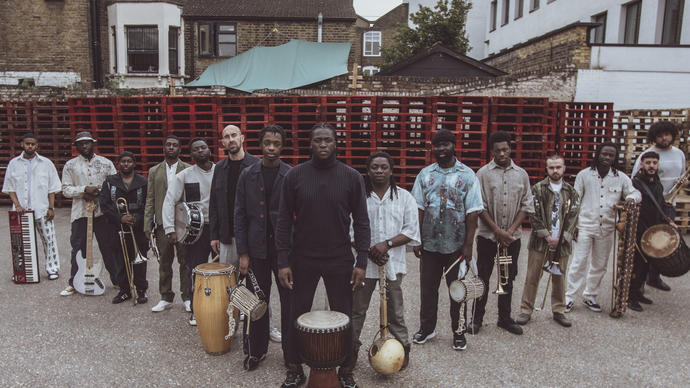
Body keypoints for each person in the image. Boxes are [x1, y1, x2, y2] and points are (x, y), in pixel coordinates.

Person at [276, 122, 370, 388]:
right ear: (310, 143)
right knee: (296, 313)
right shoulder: (294, 177)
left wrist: (361, 261)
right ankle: (294, 367)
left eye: (328, 140)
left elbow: (362, 222)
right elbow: (284, 221)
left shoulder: (351, 177)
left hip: (339, 258)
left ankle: (346, 369)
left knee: (344, 315)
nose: (323, 145)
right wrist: (283, 260)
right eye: (318, 140)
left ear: (336, 142)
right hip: (302, 258)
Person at [410, 129, 483, 351]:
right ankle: (427, 328)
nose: (441, 149)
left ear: (454, 145)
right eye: (438, 145)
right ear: (433, 148)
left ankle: (459, 332)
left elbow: (473, 213)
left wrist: (468, 246)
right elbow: (419, 207)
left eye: (446, 144)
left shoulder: (468, 175)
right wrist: (417, 238)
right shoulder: (424, 175)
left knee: (457, 289)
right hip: (430, 244)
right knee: (428, 289)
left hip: (456, 245)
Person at [350, 151, 420, 370]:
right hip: (363, 265)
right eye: (374, 167)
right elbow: (349, 230)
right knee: (356, 310)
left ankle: (401, 349)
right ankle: (349, 351)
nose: (379, 171)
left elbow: (411, 230)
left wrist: (386, 244)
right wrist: (369, 249)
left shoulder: (404, 197)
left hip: (392, 264)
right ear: (368, 171)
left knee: (395, 311)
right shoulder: (358, 197)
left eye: (384, 167)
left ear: (391, 170)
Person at [234, 124, 291, 371]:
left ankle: (292, 355)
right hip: (255, 252)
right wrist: (243, 253)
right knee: (257, 303)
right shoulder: (248, 174)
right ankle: (256, 351)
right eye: (267, 143)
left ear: (282, 146)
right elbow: (240, 215)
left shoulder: (290, 174)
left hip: (283, 252)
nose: (271, 148)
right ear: (259, 144)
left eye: (276, 144)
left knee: (290, 303)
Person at [565, 142, 640, 313]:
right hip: (585, 225)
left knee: (600, 264)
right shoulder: (584, 175)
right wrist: (572, 225)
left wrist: (631, 199)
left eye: (611, 155)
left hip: (607, 227)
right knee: (578, 262)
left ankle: (590, 295)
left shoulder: (621, 177)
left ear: (615, 158)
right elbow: (574, 201)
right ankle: (569, 297)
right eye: (604, 154)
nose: (606, 158)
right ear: (598, 154)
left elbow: (636, 193)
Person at [472, 131, 534, 335]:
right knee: (483, 277)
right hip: (488, 239)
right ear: (491, 151)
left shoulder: (521, 174)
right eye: (497, 150)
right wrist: (498, 231)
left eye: (505, 149)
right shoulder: (482, 174)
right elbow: (479, 206)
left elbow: (526, 204)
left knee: (506, 277)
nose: (502, 153)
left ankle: (504, 318)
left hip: (511, 240)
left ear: (510, 148)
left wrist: (510, 232)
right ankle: (476, 319)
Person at [516, 155, 579, 328]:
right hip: (540, 241)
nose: (555, 171)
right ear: (546, 169)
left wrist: (563, 238)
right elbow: (533, 213)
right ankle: (526, 310)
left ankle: (559, 310)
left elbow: (574, 216)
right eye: (551, 168)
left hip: (562, 243)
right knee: (532, 276)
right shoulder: (538, 189)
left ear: (564, 168)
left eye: (558, 167)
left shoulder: (571, 191)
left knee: (560, 277)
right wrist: (546, 235)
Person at [59, 131, 120, 296]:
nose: (84, 146)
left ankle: (117, 280)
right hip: (81, 213)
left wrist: (99, 191)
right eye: (80, 143)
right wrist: (83, 190)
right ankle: (74, 282)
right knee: (78, 247)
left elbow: (114, 185)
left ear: (93, 143)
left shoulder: (105, 163)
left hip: (102, 213)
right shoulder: (71, 165)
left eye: (87, 142)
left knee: (108, 246)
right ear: (76, 146)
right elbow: (65, 189)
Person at [162, 138, 215, 325]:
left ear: (209, 149)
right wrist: (170, 229)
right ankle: (196, 309)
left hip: (219, 228)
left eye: (203, 147)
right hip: (196, 230)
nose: (200, 151)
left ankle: (225, 307)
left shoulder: (221, 172)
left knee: (225, 269)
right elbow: (169, 201)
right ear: (191, 154)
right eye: (196, 149)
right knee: (196, 270)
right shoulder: (184, 175)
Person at [631, 121, 685, 292]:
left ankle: (654, 277)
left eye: (667, 134)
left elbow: (681, 174)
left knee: (665, 242)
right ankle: (639, 281)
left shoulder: (679, 154)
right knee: (649, 242)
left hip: (669, 204)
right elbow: (636, 179)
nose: (664, 138)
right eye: (660, 135)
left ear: (673, 135)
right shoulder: (648, 155)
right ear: (654, 137)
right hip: (651, 205)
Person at [2, 133, 62, 280]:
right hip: (21, 211)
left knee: (49, 239)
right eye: (27, 143)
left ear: (37, 146)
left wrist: (51, 208)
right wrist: (17, 206)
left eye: (33, 144)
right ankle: (20, 271)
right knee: (20, 243)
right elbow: (10, 188)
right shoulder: (14, 163)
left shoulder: (46, 163)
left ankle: (52, 269)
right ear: (22, 144)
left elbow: (52, 188)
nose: (30, 146)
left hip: (42, 209)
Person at [144, 135, 192, 313]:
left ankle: (187, 297)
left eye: (175, 145)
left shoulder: (188, 169)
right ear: (164, 148)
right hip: (162, 223)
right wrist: (147, 224)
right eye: (168, 145)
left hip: (182, 223)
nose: (171, 148)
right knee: (164, 262)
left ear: (180, 149)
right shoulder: (154, 171)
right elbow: (150, 198)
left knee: (185, 262)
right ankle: (165, 297)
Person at [628, 152, 677, 311]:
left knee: (648, 263)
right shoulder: (636, 183)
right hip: (639, 229)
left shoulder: (656, 182)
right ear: (641, 164)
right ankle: (631, 296)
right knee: (637, 264)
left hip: (653, 229)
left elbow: (660, 204)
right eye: (648, 162)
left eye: (654, 163)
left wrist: (667, 220)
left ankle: (638, 292)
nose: (651, 166)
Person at [100, 152, 149, 304]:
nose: (126, 164)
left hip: (138, 227)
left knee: (139, 261)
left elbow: (148, 204)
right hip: (116, 228)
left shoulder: (143, 181)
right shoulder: (109, 182)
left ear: (134, 164)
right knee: (120, 260)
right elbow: (105, 205)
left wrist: (137, 218)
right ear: (118, 164)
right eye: (123, 162)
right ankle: (125, 290)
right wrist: (120, 218)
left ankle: (141, 290)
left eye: (129, 161)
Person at [209, 124, 258, 266]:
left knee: (253, 284)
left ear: (242, 138)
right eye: (226, 137)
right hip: (227, 237)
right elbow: (214, 204)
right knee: (228, 284)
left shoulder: (256, 165)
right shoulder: (219, 168)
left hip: (252, 237)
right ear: (223, 143)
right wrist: (214, 236)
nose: (231, 139)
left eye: (234, 135)